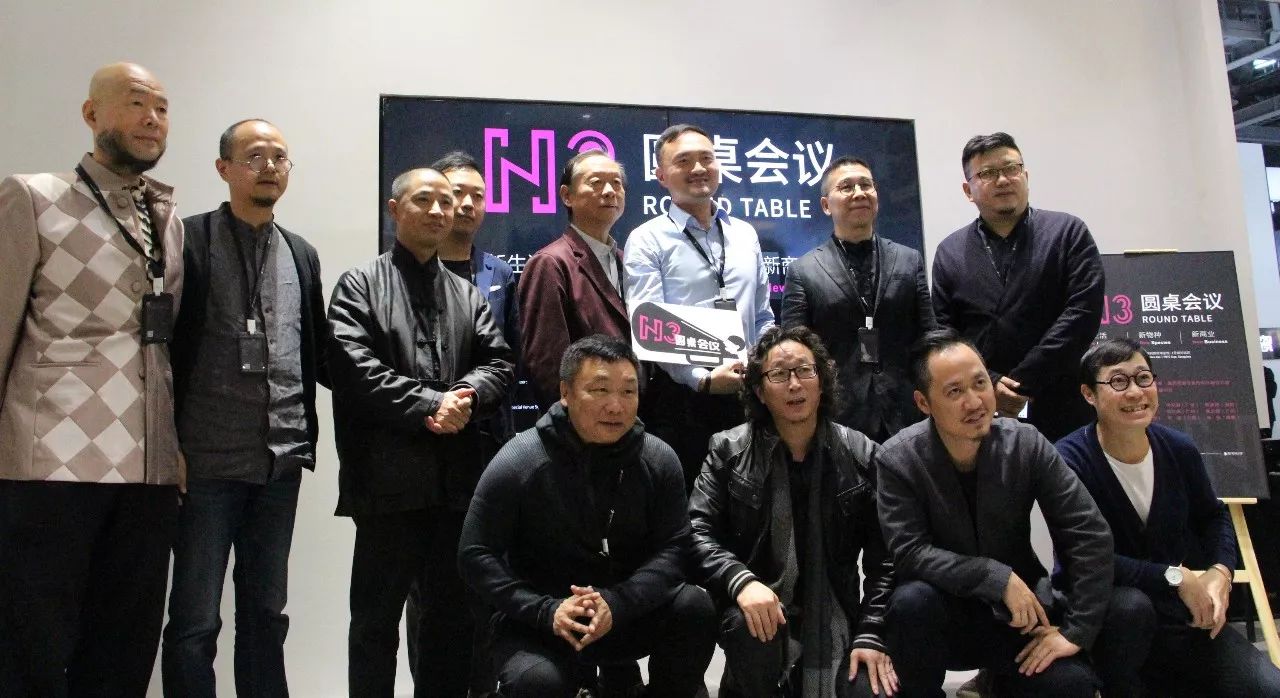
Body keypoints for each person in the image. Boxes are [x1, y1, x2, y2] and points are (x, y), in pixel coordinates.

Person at [0, 62, 184, 696]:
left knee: (124, 652)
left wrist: (173, 454)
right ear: (91, 114)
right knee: (32, 649)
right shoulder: (33, 197)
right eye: (135, 104)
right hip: (49, 464)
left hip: (147, 472)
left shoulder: (166, 216)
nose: (152, 119)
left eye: (162, 109)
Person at [328, 167, 515, 696]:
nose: (438, 210)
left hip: (456, 485)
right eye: (424, 200)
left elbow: (500, 363)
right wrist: (432, 403)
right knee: (374, 624)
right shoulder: (360, 284)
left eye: (446, 202)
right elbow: (352, 368)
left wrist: (466, 395)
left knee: (450, 621)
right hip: (386, 485)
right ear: (394, 210)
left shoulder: (466, 294)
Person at [161, 119, 327, 697]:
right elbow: (159, 351)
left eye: (280, 157)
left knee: (266, 615)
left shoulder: (301, 253)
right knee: (195, 620)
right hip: (205, 463)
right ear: (224, 168)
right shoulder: (188, 239)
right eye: (255, 156)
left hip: (279, 465)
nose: (270, 167)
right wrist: (167, 445)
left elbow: (319, 354)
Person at [459, 335, 716, 697]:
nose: (616, 406)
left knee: (694, 607)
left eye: (628, 391)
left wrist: (618, 602)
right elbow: (475, 554)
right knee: (537, 683)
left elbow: (675, 548)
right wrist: (545, 610)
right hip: (540, 619)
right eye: (599, 390)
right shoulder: (519, 460)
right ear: (565, 392)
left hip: (622, 612)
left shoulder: (658, 459)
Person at [876, 329, 1113, 697]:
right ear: (923, 402)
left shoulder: (1026, 443)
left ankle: (999, 681)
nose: (974, 402)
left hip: (1019, 618)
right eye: (954, 392)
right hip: (941, 618)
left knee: (1073, 685)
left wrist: (1076, 631)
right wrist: (995, 577)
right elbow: (909, 552)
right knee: (911, 603)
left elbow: (1088, 533)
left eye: (980, 383)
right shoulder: (898, 459)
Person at [1057, 338, 1280, 697]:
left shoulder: (1178, 448)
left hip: (1180, 615)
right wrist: (1172, 576)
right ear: (1089, 394)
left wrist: (1220, 572)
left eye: (1143, 378)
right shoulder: (1069, 460)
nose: (1135, 392)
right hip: (1111, 618)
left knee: (1268, 689)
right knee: (1133, 607)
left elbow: (1213, 516)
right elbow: (1082, 556)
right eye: (1118, 381)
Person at [689, 326, 898, 697]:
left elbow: (888, 559)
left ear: (822, 382)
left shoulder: (862, 455)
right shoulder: (727, 450)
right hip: (755, 607)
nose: (795, 384)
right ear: (759, 391)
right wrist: (741, 581)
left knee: (873, 690)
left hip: (837, 612)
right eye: (779, 374)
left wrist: (871, 632)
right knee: (753, 629)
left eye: (805, 370)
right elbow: (697, 532)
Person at [403, 150, 519, 693]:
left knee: (486, 581)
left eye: (477, 195)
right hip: (423, 448)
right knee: (429, 591)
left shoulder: (499, 273)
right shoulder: (400, 273)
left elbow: (510, 358)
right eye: (455, 194)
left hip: (488, 447)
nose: (465, 204)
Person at [624, 123, 773, 488]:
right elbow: (649, 326)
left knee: (752, 500)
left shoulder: (744, 234)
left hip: (748, 393)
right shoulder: (647, 239)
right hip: (683, 400)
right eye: (683, 161)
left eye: (706, 158)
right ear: (661, 176)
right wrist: (702, 380)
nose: (698, 169)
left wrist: (763, 367)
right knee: (692, 503)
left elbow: (763, 315)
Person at [931, 132, 1104, 443]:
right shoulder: (950, 252)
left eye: (1011, 168)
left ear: (1026, 176)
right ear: (968, 190)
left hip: (1061, 398)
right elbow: (946, 332)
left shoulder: (1067, 232)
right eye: (987, 173)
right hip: (981, 407)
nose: (1003, 180)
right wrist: (990, 382)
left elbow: (1082, 314)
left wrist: (1023, 381)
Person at [782, 156, 934, 442]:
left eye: (866, 185)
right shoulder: (803, 271)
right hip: (839, 418)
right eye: (846, 187)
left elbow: (929, 336)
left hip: (908, 413)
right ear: (826, 205)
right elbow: (795, 353)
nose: (859, 193)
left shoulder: (909, 260)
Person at [520, 150, 630, 411]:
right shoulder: (550, 262)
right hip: (585, 420)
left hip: (631, 415)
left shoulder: (628, 261)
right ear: (567, 196)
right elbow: (546, 362)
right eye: (596, 183)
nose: (610, 191)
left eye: (616, 183)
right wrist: (572, 420)